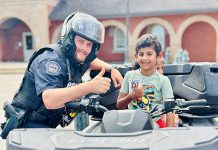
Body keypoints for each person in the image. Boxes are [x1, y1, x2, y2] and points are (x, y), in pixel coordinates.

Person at [3, 12, 123, 129]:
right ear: (69, 38)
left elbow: (90, 61)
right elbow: (49, 100)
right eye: (80, 41)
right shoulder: (50, 60)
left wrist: (111, 68)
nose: (84, 48)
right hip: (26, 125)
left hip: (46, 125)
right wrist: (90, 86)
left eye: (89, 44)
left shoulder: (76, 57)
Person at [116, 34, 175, 128]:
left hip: (156, 123)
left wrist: (170, 133)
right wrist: (131, 96)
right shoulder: (129, 76)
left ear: (158, 56)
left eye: (149, 54)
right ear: (136, 56)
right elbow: (119, 105)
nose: (145, 58)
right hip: (132, 123)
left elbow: (170, 110)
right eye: (141, 54)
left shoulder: (164, 80)